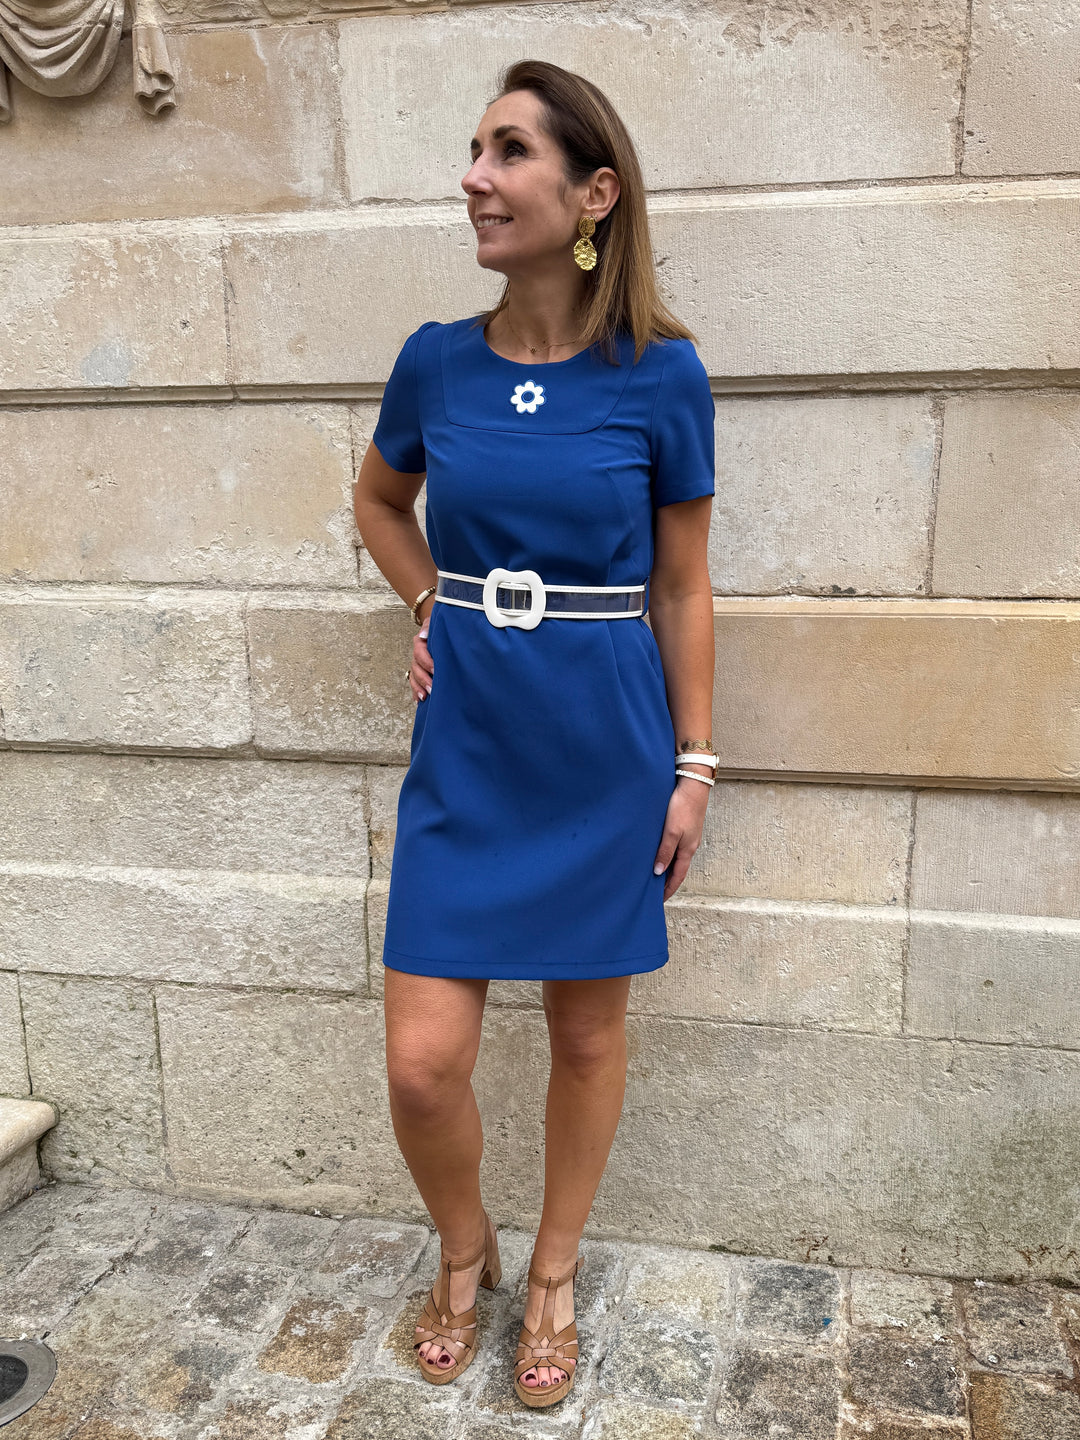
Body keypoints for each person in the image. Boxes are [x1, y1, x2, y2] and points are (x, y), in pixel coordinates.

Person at [352, 58, 716, 1409]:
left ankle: (552, 1274)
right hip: (470, 744)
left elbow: (683, 586)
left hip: (603, 743)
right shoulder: (434, 361)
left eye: (509, 152)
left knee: (584, 1038)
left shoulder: (661, 375)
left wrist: (695, 765)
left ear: (593, 194)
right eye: (474, 150)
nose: (474, 178)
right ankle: (466, 1248)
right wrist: (429, 597)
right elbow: (380, 503)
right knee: (422, 1063)